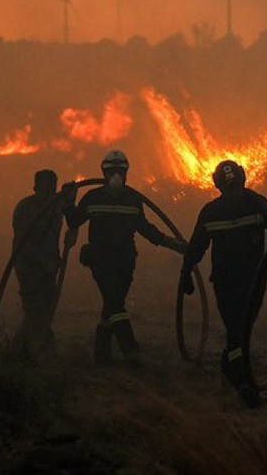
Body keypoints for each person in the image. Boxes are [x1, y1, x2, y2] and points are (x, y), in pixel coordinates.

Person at [180, 160, 267, 408]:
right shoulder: (210, 212)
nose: (234, 192)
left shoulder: (257, 202)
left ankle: (229, 367)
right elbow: (196, 246)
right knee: (236, 328)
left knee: (242, 330)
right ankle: (243, 383)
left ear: (243, 181)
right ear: (219, 187)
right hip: (226, 283)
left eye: (236, 186)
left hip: (255, 280)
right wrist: (186, 273)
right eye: (229, 188)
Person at [62, 150, 187, 368]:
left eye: (120, 171)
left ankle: (101, 354)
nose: (116, 176)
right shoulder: (92, 197)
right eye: (112, 171)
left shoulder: (133, 199)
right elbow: (74, 221)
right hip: (100, 261)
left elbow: (145, 229)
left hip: (125, 261)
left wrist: (172, 244)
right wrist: (68, 202)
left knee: (111, 305)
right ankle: (131, 351)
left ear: (126, 172)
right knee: (115, 304)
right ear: (104, 172)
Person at [12, 169, 64, 361]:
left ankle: (28, 347)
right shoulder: (25, 208)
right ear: (35, 187)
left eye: (52, 188)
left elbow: (69, 208)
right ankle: (29, 347)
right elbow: (22, 243)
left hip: (50, 265)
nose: (48, 192)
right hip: (28, 266)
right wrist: (44, 263)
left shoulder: (56, 206)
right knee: (34, 305)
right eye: (45, 188)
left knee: (45, 304)